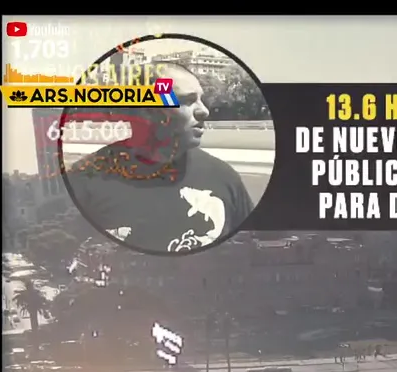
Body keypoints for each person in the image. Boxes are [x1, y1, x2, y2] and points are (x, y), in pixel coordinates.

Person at [64, 60, 255, 254]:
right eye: (186, 100)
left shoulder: (223, 177)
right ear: (147, 111)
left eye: (200, 99)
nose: (204, 111)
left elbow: (253, 250)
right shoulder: (83, 180)